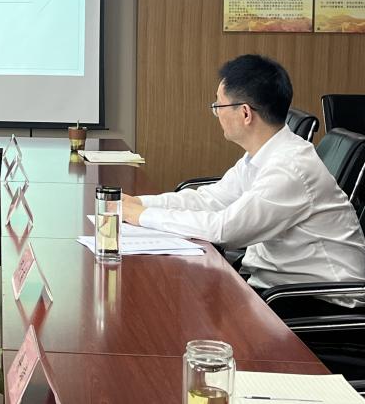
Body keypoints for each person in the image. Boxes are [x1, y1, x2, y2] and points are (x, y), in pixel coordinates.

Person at [122, 54, 365, 297]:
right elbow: (211, 199)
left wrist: (141, 215)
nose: (216, 113)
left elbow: (225, 230)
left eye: (218, 106)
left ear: (246, 113)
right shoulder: (263, 154)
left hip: (320, 298)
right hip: (279, 284)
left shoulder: (290, 168)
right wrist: (138, 203)